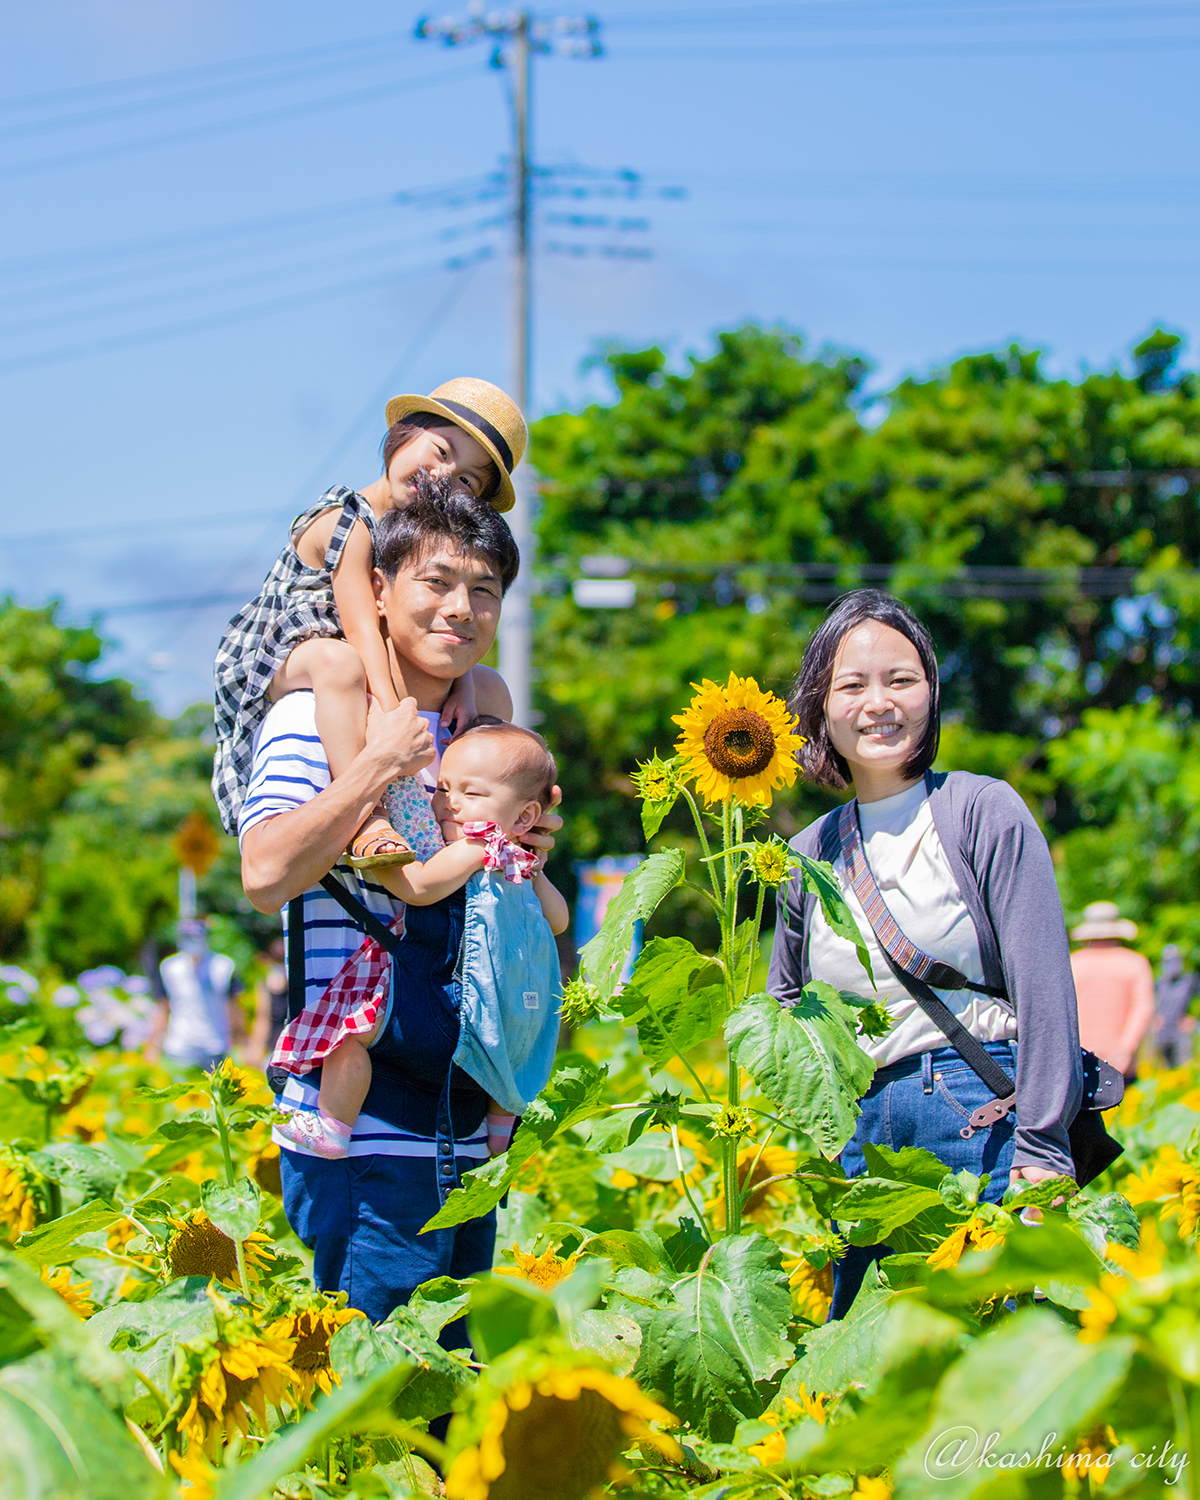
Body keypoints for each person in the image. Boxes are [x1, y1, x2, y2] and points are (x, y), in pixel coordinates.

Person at [238, 487, 562, 1325]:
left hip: (466, 1108)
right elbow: (265, 873)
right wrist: (375, 766)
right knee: (373, 1380)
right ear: (377, 590)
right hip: (362, 1113)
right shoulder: (312, 719)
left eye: (484, 589)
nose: (462, 608)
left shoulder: (485, 738)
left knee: (453, 1382)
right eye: (438, 582)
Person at [768, 589, 1082, 1320]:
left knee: (986, 1365)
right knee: (869, 1379)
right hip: (859, 1142)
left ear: (931, 695)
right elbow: (788, 1013)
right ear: (818, 708)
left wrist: (1044, 1150)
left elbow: (1045, 987)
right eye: (852, 685)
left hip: (979, 1117)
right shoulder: (805, 855)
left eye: (901, 680)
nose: (878, 703)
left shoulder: (980, 810)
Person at [213, 377, 525, 867]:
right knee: (339, 667)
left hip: (342, 645)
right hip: (276, 648)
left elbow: (444, 631)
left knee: (468, 683)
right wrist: (391, 712)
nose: (444, 477)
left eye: (466, 479)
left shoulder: (412, 537)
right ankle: (368, 816)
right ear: (403, 433)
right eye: (441, 451)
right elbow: (360, 629)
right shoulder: (347, 519)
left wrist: (461, 682)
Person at [271, 720, 568, 1160]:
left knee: (347, 1034)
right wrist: (535, 874)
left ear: (524, 816)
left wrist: (378, 858)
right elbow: (558, 921)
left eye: (472, 793)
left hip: (457, 995)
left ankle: (333, 1125)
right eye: (444, 788)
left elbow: (421, 887)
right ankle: (500, 1136)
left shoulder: (476, 847)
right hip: (512, 1000)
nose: (450, 803)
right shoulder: (521, 860)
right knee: (511, 1061)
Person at [1069, 902, 1155, 1085]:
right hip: (1123, 1061)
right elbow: (1143, 1009)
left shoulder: (1073, 964)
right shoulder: (1135, 963)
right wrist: (1125, 1048)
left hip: (1080, 1057)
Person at [145, 919, 246, 1071]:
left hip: (215, 1046)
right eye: (187, 937)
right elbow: (163, 1008)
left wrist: (242, 1041)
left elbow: (234, 1008)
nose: (192, 942)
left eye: (196, 937)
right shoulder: (169, 967)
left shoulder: (224, 966)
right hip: (180, 1047)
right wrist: (152, 1045)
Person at [246, 937, 288, 1069]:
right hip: (287, 1049)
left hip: (277, 1050)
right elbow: (263, 1018)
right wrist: (255, 1048)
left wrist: (256, 1047)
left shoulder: (264, 985)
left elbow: (262, 1019)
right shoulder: (304, 984)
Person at [1154, 945, 1197, 1069]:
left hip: (1180, 1033)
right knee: (1163, 1072)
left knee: (1183, 1070)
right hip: (1162, 1034)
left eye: (1175, 961)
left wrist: (1193, 1018)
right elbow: (1148, 1004)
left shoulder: (1189, 981)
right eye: (1168, 962)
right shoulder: (1160, 982)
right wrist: (1154, 1019)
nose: (1172, 965)